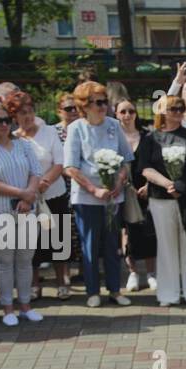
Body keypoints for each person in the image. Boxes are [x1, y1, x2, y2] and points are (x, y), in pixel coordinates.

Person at [65, 81, 135, 309]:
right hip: (87, 198)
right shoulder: (76, 128)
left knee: (112, 245)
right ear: (85, 105)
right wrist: (94, 189)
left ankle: (115, 290)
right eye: (98, 102)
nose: (104, 106)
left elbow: (126, 160)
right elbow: (71, 167)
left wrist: (119, 180)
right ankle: (92, 291)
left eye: (105, 101)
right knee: (90, 246)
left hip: (113, 197)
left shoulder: (114, 125)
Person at [0, 102, 42, 326]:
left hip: (25, 209)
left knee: (25, 259)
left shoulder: (23, 144)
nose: (4, 124)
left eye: (6, 120)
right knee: (4, 261)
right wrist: (21, 193)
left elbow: (36, 171)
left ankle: (25, 305)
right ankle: (7, 308)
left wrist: (27, 197)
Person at [139, 96, 186, 307]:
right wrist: (168, 184)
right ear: (162, 111)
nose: (178, 112)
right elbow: (145, 168)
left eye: (181, 108)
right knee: (166, 247)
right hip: (161, 199)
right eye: (173, 109)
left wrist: (184, 183)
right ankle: (168, 294)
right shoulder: (151, 138)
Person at [9, 91, 69, 300]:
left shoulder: (49, 132)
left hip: (54, 194)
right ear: (14, 116)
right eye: (22, 113)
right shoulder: (13, 139)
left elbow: (59, 163)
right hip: (29, 199)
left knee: (58, 240)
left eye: (30, 111)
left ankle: (62, 282)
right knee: (31, 243)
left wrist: (45, 181)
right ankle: (34, 284)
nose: (27, 116)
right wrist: (31, 190)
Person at [116, 99, 157, 293]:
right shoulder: (114, 138)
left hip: (145, 190)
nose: (127, 115)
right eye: (123, 111)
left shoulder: (147, 137)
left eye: (131, 111)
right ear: (116, 114)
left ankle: (151, 273)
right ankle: (133, 272)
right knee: (127, 232)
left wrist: (149, 184)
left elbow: (155, 163)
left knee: (149, 231)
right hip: (123, 190)